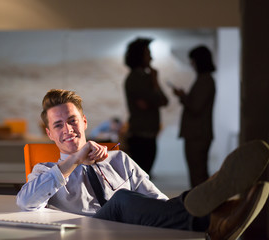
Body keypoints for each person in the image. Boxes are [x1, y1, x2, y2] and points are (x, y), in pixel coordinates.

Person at [17, 89, 269, 240]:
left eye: (72, 121)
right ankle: (214, 219)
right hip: (88, 232)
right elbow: (25, 201)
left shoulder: (118, 159)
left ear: (84, 122)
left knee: (160, 204)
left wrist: (173, 212)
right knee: (121, 200)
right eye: (58, 125)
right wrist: (75, 158)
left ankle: (214, 212)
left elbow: (156, 202)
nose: (68, 129)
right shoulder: (45, 172)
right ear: (50, 134)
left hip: (132, 230)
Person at [172, 45, 216, 188]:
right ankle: (200, 207)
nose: (191, 64)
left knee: (198, 175)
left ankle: (200, 208)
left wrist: (183, 97)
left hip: (198, 135)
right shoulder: (205, 80)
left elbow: (196, 107)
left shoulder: (205, 80)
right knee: (198, 173)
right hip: (198, 134)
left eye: (192, 61)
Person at [124, 37, 168, 176]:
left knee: (145, 176)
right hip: (140, 136)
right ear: (139, 56)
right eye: (148, 54)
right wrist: (154, 87)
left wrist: (155, 82)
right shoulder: (134, 79)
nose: (151, 58)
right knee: (141, 178)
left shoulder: (147, 77)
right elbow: (149, 103)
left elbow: (164, 101)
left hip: (149, 134)